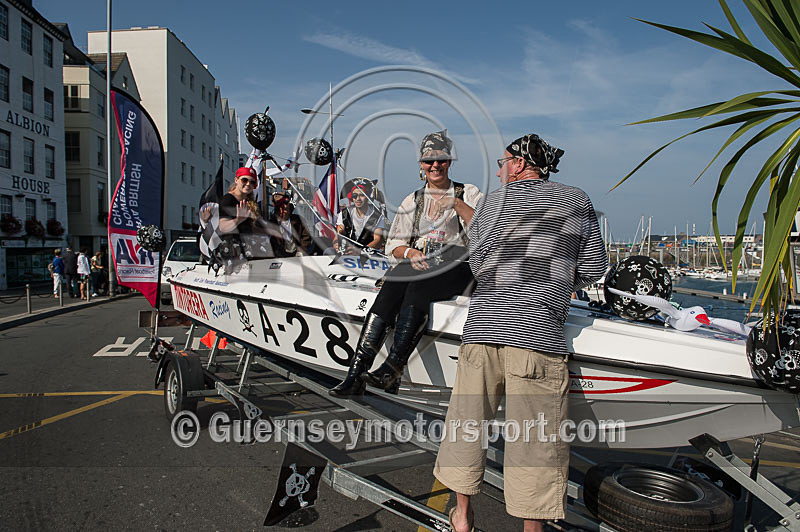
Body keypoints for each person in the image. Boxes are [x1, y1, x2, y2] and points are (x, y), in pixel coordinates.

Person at [433, 134, 608, 532]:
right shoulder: (577, 199)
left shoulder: (493, 203)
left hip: (482, 330)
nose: (498, 171)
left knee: (466, 425)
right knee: (536, 442)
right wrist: (556, 282)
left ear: (517, 164)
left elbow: (477, 261)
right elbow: (595, 265)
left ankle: (462, 514)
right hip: (536, 333)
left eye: (502, 162)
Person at [329, 130, 482, 397]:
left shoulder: (467, 193)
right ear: (420, 165)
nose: (435, 165)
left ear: (449, 162)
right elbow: (393, 246)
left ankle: (393, 369)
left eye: (441, 159)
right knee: (396, 279)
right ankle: (355, 374)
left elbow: (484, 229)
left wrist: (456, 204)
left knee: (418, 285)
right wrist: (410, 253)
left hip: (459, 265)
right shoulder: (413, 201)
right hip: (422, 263)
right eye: (428, 160)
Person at [215, 166, 275, 265]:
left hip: (248, 246)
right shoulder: (228, 199)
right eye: (244, 180)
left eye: (252, 182)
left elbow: (250, 228)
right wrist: (238, 220)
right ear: (236, 180)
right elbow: (222, 227)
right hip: (234, 251)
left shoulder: (249, 202)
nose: (248, 184)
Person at [334, 178, 385, 253]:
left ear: (367, 197)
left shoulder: (377, 215)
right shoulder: (344, 213)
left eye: (362, 195)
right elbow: (340, 232)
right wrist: (336, 243)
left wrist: (360, 251)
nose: (358, 199)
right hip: (347, 251)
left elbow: (378, 240)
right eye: (355, 196)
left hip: (368, 253)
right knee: (328, 252)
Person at [268, 193, 314, 257]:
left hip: (299, 256)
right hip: (281, 259)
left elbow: (306, 238)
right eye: (280, 204)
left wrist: (300, 252)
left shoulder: (299, 220)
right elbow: (272, 244)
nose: (284, 206)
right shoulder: (271, 224)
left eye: (285, 203)